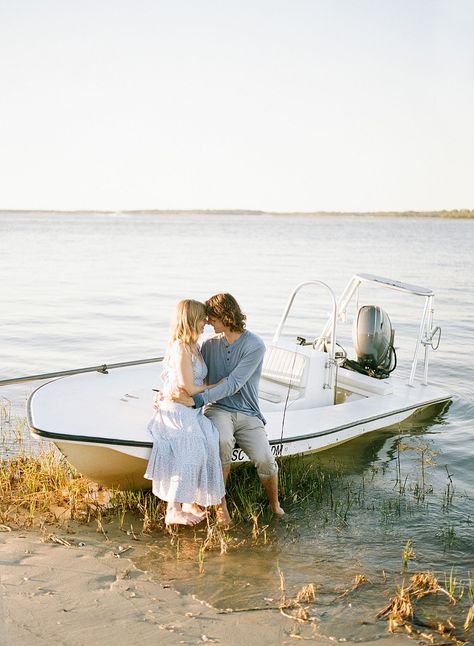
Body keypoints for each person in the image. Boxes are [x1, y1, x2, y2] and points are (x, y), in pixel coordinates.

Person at [174, 293, 284, 521]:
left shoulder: (254, 345)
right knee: (223, 441)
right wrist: (167, 395)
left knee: (265, 459)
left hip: (248, 412)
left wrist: (197, 400)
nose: (207, 322)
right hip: (218, 408)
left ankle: (275, 506)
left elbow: (233, 384)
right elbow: (192, 375)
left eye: (212, 318)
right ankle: (219, 506)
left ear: (226, 316)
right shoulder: (209, 345)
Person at [145, 299, 226, 526]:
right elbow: (188, 387)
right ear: (190, 319)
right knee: (192, 447)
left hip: (191, 408)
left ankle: (190, 500)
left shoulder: (194, 346)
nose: (206, 324)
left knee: (210, 439)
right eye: (202, 319)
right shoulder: (180, 346)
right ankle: (173, 509)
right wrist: (219, 386)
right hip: (176, 409)